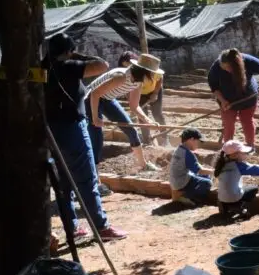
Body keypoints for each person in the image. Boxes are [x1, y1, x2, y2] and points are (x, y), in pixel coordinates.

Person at [43, 34, 127, 241]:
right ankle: (101, 226)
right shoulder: (68, 66)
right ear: (68, 50)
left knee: (64, 182)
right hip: (72, 127)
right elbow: (102, 64)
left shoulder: (42, 67)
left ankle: (72, 228)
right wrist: (76, 54)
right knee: (87, 178)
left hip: (51, 129)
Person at [86, 53, 163, 172]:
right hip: (91, 99)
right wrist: (95, 118)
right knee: (97, 138)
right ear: (144, 71)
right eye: (152, 73)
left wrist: (147, 120)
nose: (153, 75)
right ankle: (95, 175)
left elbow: (134, 105)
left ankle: (143, 165)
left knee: (131, 130)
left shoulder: (138, 82)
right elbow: (95, 93)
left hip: (108, 99)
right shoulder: (121, 76)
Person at [207, 48, 259, 146]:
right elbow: (213, 86)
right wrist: (223, 101)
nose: (227, 70)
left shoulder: (247, 60)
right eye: (224, 68)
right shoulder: (216, 66)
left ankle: (250, 145)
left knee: (247, 120)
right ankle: (228, 147)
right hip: (227, 100)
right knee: (228, 123)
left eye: (229, 67)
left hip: (248, 97)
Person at [119, 51, 167, 146]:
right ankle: (147, 139)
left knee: (157, 114)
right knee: (142, 116)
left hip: (153, 90)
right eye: (125, 65)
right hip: (139, 94)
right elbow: (128, 90)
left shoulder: (152, 70)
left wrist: (155, 93)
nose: (127, 68)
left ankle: (164, 138)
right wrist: (132, 104)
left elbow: (160, 79)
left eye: (128, 65)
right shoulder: (129, 74)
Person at [214, 140, 259, 218]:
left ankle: (225, 205)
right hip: (234, 197)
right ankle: (238, 206)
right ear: (235, 155)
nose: (246, 155)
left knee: (231, 188)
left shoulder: (221, 164)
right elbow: (256, 169)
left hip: (221, 197)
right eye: (243, 153)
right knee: (253, 188)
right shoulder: (239, 166)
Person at [169, 128, 213, 207]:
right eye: (198, 141)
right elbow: (200, 171)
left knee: (206, 176)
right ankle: (187, 197)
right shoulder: (187, 154)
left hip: (176, 180)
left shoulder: (180, 149)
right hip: (181, 182)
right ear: (191, 139)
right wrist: (215, 171)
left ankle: (187, 195)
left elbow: (195, 168)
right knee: (207, 182)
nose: (198, 144)